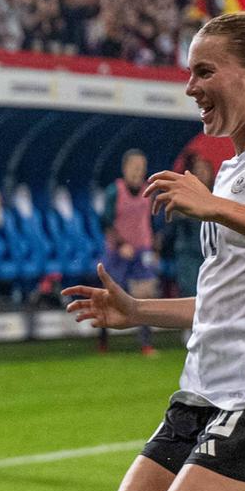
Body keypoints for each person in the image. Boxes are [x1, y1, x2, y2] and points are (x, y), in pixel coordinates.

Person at [64, 0, 245, 491]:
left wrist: (218, 208)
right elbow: (232, 303)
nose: (190, 87)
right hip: (204, 393)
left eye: (204, 72)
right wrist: (138, 310)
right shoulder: (232, 172)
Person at [101, 149, 161, 356]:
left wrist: (155, 249)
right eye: (134, 167)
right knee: (112, 295)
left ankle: (145, 343)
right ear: (125, 168)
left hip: (142, 250)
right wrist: (120, 245)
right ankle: (103, 340)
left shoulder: (149, 192)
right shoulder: (114, 191)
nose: (138, 171)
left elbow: (154, 223)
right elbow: (105, 221)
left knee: (145, 296)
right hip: (119, 252)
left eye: (141, 167)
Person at [159, 154, 215, 298]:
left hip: (211, 254)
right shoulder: (181, 196)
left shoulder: (219, 197)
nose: (202, 173)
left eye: (205, 169)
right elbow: (169, 227)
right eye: (198, 170)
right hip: (188, 254)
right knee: (190, 295)